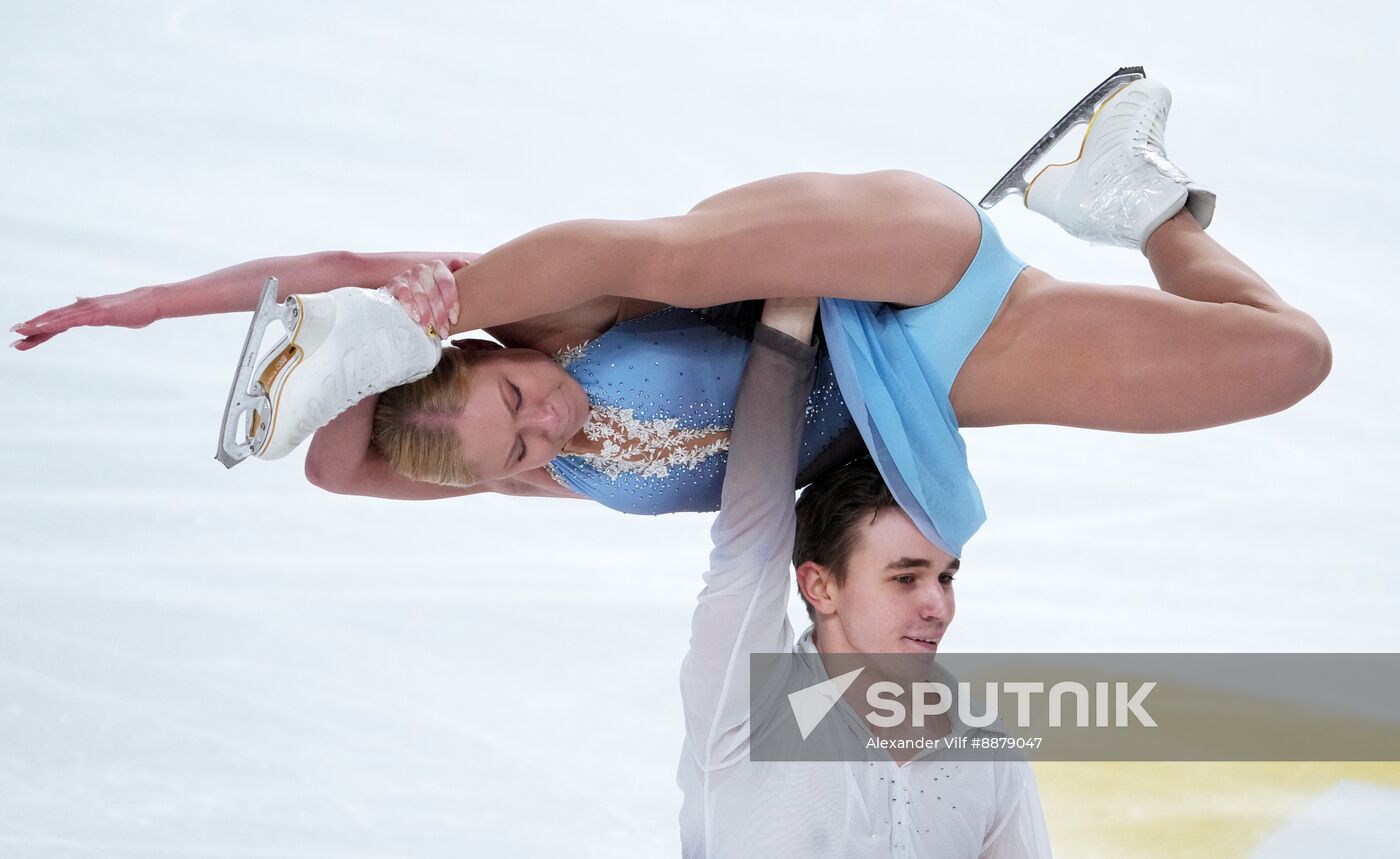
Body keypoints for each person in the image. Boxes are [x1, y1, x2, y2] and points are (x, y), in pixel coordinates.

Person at [12, 75, 1330, 556]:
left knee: (665, 256)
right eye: (521, 446)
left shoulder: (553, 308)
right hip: (932, 379)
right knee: (1289, 359)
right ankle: (1126, 192)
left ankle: (379, 327)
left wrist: (157, 304)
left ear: (487, 353)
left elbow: (365, 262)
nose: (550, 426)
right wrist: (491, 440)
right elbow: (336, 459)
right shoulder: (519, 471)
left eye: (520, 397)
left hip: (863, 255)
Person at [678, 295, 1051, 857]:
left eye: (945, 577)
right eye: (904, 578)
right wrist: (789, 314)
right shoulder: (751, 707)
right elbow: (747, 546)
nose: (938, 606)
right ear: (819, 586)